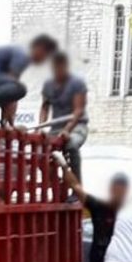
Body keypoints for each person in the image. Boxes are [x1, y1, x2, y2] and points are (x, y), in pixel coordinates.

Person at [0, 35, 59, 126]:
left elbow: (6, 93)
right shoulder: (23, 54)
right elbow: (11, 94)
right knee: (20, 89)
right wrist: (9, 123)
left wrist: (4, 122)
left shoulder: (18, 53)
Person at [39, 51, 89, 180]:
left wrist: (67, 130)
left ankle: (77, 187)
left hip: (77, 127)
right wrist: (41, 127)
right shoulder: (48, 84)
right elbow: (45, 107)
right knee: (38, 152)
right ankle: (57, 182)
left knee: (71, 145)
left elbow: (78, 111)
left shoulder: (77, 83)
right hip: (55, 128)